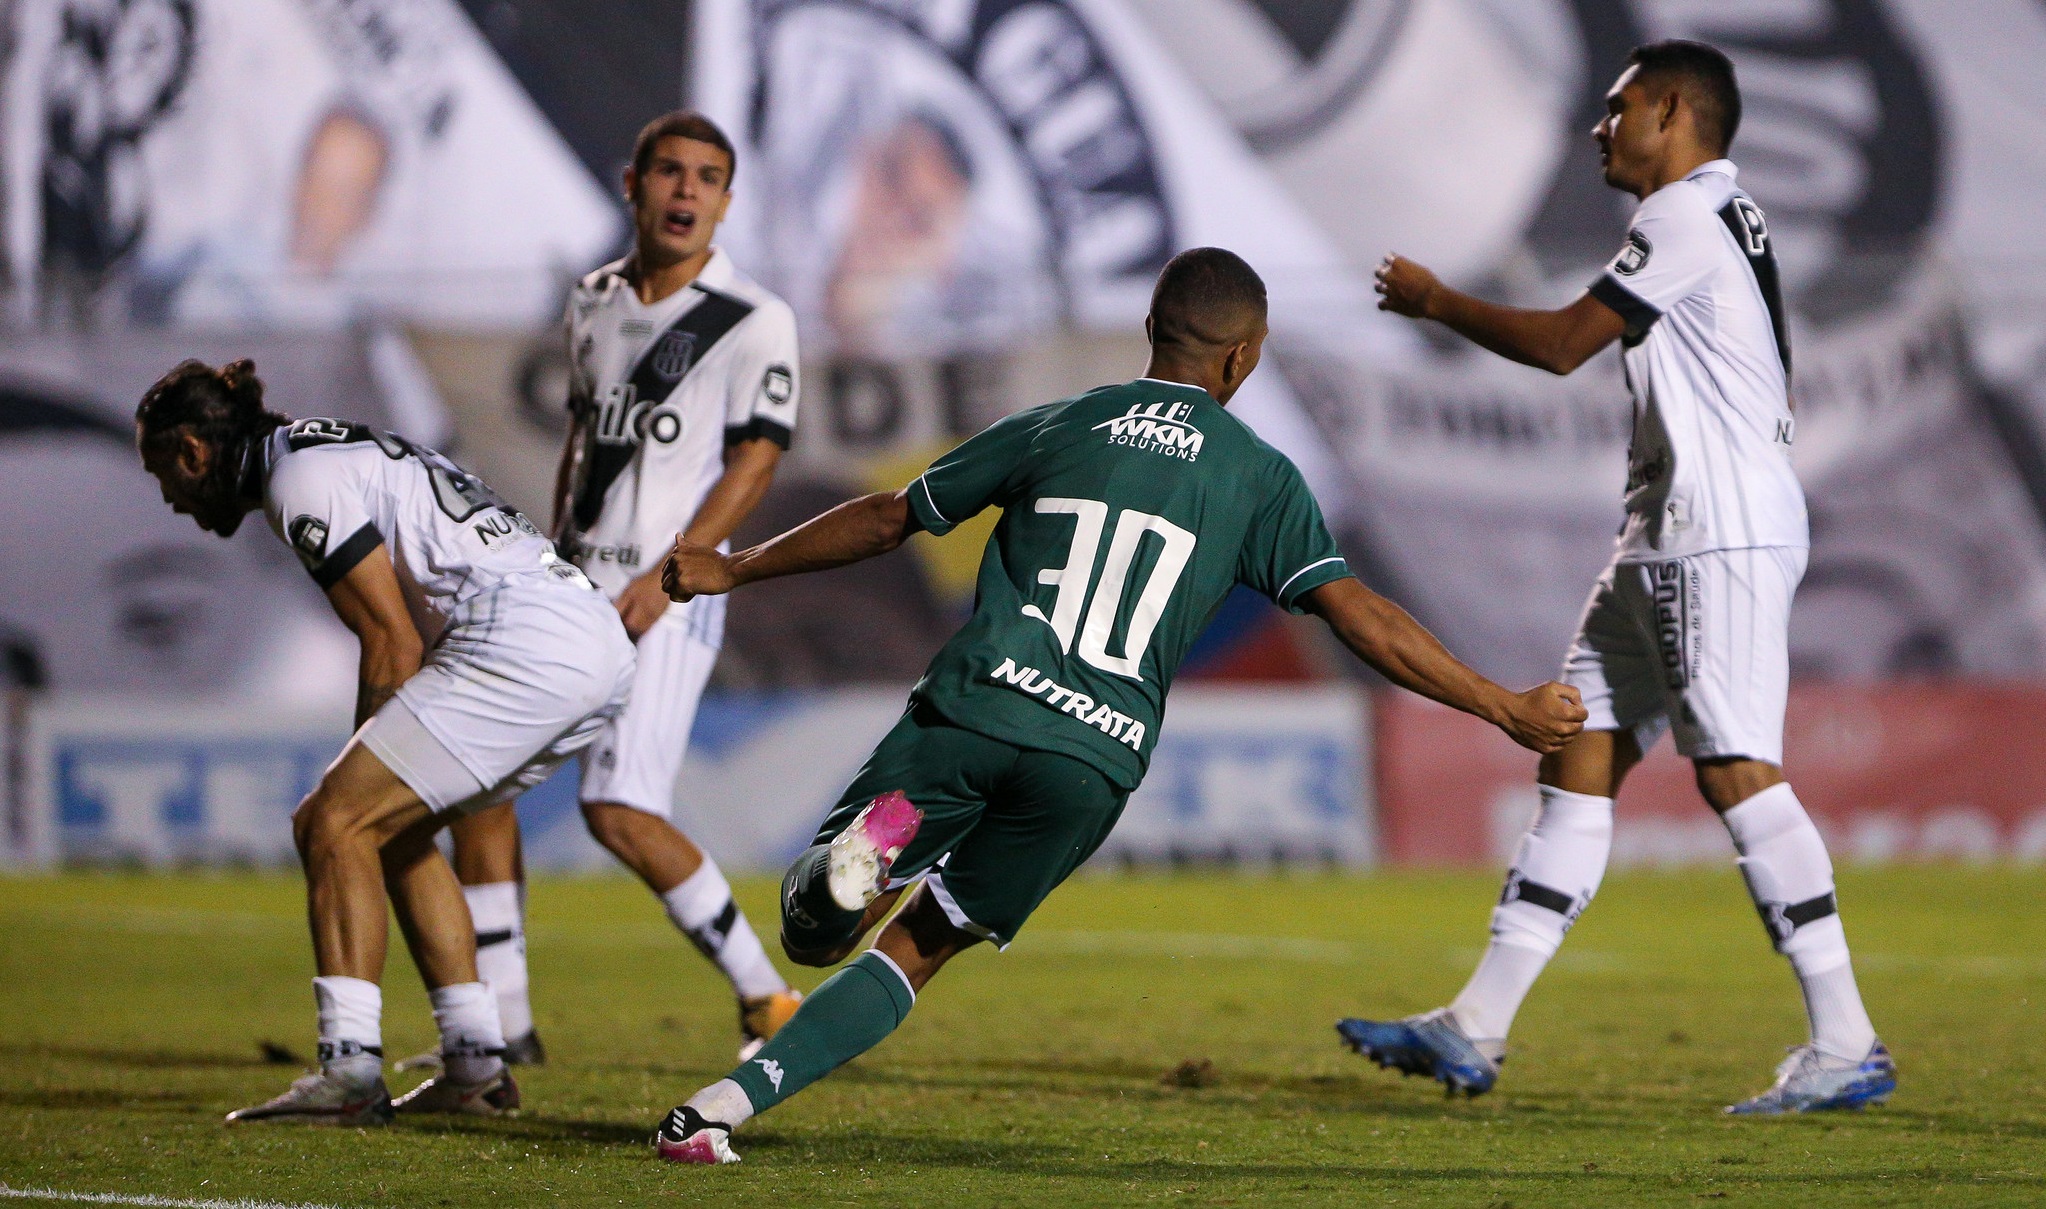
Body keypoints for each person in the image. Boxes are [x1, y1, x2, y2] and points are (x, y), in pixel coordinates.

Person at [646, 246, 1588, 1164]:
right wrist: (1501, 704)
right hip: (1090, 762)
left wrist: (737, 565)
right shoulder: (1258, 477)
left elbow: (895, 514)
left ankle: (867, 853)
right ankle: (717, 1111)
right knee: (921, 947)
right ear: (1242, 357)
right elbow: (1365, 620)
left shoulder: (1060, 424)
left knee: (814, 931)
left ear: (1150, 329)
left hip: (977, 713)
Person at [1339, 40, 1893, 1115]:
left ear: (1674, 110)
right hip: (1660, 535)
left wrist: (1437, 301)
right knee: (1575, 754)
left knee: (1735, 768)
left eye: (1617, 107)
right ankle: (1476, 1025)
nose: (1601, 127)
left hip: (1712, 531)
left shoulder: (1684, 214)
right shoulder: (1716, 215)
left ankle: (1846, 1040)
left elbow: (1560, 345)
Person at [135, 359, 634, 1124]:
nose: (168, 499)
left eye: (162, 471)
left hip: (526, 640)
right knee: (395, 834)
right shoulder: (321, 452)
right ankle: (474, 1064)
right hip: (588, 637)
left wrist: (353, 777)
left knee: (332, 822)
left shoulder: (296, 480)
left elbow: (391, 641)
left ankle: (349, 1070)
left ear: (195, 452)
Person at [420, 111, 803, 1069]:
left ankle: (769, 995)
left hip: (668, 592)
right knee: (481, 786)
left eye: (707, 178)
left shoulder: (753, 318)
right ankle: (504, 1026)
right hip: (572, 585)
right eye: (669, 172)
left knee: (620, 809)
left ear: (726, 199)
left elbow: (755, 462)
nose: (686, 192)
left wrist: (670, 573)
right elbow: (587, 444)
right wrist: (549, 554)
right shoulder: (592, 300)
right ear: (632, 183)